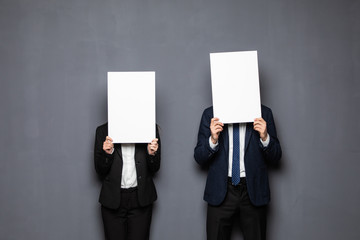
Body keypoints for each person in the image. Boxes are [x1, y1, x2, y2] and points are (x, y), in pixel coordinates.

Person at [194, 105, 282, 240]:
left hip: (253, 191)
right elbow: (199, 157)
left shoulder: (264, 113)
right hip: (221, 191)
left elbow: (276, 157)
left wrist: (265, 138)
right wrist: (212, 140)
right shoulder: (210, 114)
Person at [94, 123, 160, 240]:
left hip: (140, 200)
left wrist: (152, 154)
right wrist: (107, 154)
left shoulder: (149, 128)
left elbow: (155, 167)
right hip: (113, 200)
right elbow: (100, 170)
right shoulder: (103, 131)